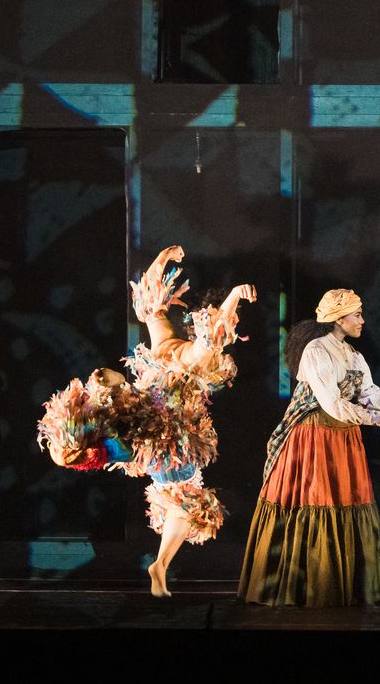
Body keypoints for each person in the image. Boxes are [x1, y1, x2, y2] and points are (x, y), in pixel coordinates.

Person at [38, 245, 251, 597]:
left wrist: (162, 259)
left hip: (135, 420)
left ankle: (83, 427)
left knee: (171, 492)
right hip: (161, 438)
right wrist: (234, 297)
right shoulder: (197, 355)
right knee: (188, 503)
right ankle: (161, 564)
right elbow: (216, 332)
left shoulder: (165, 338)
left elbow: (150, 301)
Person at [237, 288, 380, 606]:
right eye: (357, 314)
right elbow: (331, 403)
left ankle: (347, 586)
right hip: (314, 437)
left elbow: (369, 392)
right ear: (339, 319)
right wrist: (376, 419)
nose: (362, 320)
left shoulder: (353, 354)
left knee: (346, 501)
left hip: (344, 437)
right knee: (315, 500)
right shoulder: (316, 350)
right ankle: (308, 585)